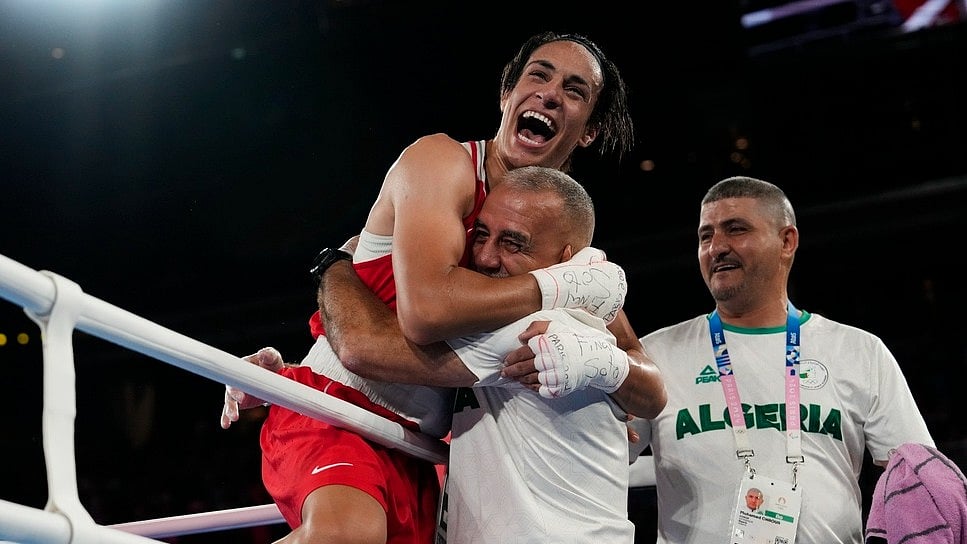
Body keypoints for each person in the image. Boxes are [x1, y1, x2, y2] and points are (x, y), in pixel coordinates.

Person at [222, 31, 665, 544]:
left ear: (588, 130)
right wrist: (557, 286)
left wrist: (605, 365)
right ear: (507, 93)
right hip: (338, 408)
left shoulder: (558, 236)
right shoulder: (443, 163)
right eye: (538, 74)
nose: (549, 93)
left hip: (423, 449)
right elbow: (425, 312)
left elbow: (647, 385)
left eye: (574, 90)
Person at [627, 175, 934, 543]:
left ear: (787, 241)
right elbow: (598, 459)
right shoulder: (654, 356)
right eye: (705, 236)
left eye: (735, 229)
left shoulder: (860, 351)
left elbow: (917, 484)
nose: (716, 247)